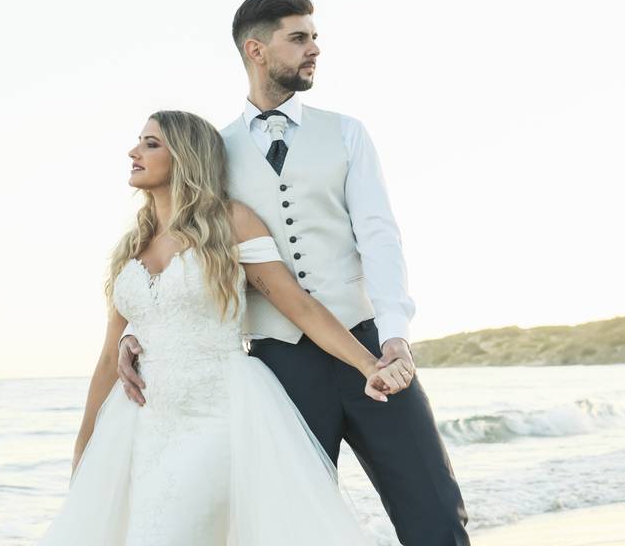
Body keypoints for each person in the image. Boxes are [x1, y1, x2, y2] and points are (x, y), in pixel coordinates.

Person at [118, 0, 470, 545]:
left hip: (367, 343)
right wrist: (143, 329)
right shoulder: (215, 150)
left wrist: (396, 334)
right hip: (278, 366)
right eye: (299, 38)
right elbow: (189, 243)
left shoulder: (347, 132)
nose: (315, 49)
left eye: (314, 37)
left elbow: (379, 236)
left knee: (434, 510)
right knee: (295, 527)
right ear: (256, 50)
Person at [38, 110, 413, 545]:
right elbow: (107, 357)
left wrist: (370, 365)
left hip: (216, 414)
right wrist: (83, 449)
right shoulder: (132, 246)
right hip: (144, 425)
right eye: (139, 142)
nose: (134, 151)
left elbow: (299, 307)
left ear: (185, 157)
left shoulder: (230, 223)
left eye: (151, 143)